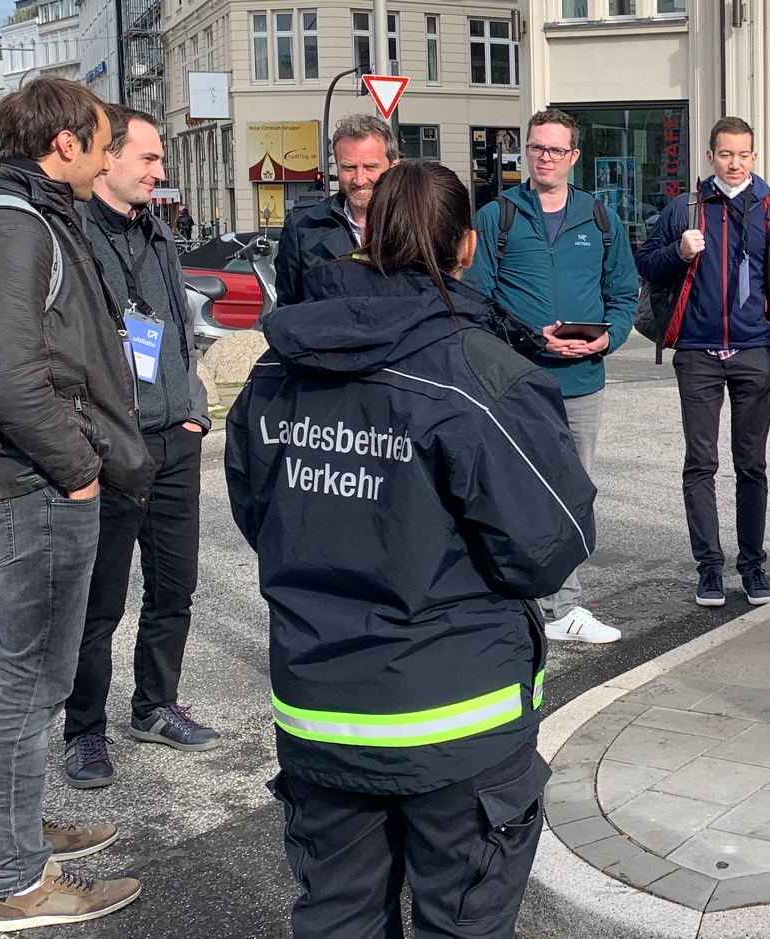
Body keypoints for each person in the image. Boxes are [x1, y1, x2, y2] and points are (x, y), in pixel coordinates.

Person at [225, 160, 595, 939]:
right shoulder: (480, 373)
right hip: (457, 719)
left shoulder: (277, 371)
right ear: (466, 248)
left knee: (338, 920)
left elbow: (260, 515)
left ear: (368, 236)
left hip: (321, 704)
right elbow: (550, 543)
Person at [0, 76, 151, 931]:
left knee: (19, 670)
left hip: (32, 474)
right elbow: (11, 377)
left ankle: (12, 833)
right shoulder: (10, 228)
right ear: (64, 144)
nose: (107, 156)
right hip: (31, 480)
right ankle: (22, 884)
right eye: (101, 141)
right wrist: (79, 471)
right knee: (37, 681)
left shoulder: (24, 216)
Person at [63, 104, 219, 790]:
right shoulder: (69, 235)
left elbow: (176, 332)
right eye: (150, 159)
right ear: (109, 159)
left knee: (174, 588)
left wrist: (193, 411)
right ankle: (84, 730)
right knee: (98, 602)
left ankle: (153, 705)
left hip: (172, 439)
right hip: (106, 446)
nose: (161, 171)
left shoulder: (158, 233)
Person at [465, 108, 637, 645]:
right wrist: (534, 339)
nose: (545, 157)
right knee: (515, 491)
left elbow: (625, 295)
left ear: (573, 157)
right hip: (520, 383)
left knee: (574, 492)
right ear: (526, 153)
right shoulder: (498, 217)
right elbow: (479, 300)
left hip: (583, 381)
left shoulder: (600, 218)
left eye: (556, 150)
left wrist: (610, 335)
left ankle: (564, 605)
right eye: (537, 148)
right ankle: (523, 603)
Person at [636, 116, 770, 609]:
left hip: (756, 353)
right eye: (726, 154)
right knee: (701, 465)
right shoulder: (684, 209)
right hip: (698, 354)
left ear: (755, 157)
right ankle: (709, 569)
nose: (735, 163)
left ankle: (753, 566)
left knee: (751, 465)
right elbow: (645, 265)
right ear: (710, 156)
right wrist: (677, 250)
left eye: (744, 154)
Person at [273, 114, 400, 307]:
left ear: (394, 166)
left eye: (370, 167)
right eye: (348, 167)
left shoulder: (417, 223)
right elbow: (288, 310)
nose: (359, 179)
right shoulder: (303, 228)